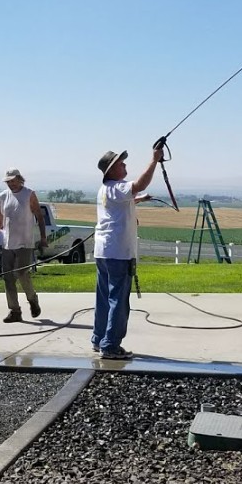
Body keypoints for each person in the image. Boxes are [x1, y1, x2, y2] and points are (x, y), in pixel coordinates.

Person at [92, 147, 162, 360]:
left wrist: (139, 199)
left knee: (104, 298)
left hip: (103, 252)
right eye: (121, 164)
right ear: (111, 170)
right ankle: (111, 345)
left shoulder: (107, 189)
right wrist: (154, 160)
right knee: (119, 300)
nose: (125, 166)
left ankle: (99, 338)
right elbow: (139, 184)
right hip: (119, 253)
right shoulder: (118, 186)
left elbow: (124, 200)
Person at [0, 167, 47, 323]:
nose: (11, 184)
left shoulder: (29, 194)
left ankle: (32, 299)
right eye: (8, 182)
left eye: (13, 181)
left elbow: (40, 218)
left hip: (25, 243)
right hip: (8, 243)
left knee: (22, 274)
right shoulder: (3, 196)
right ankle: (15, 311)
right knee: (8, 278)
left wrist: (43, 238)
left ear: (19, 179)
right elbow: (0, 219)